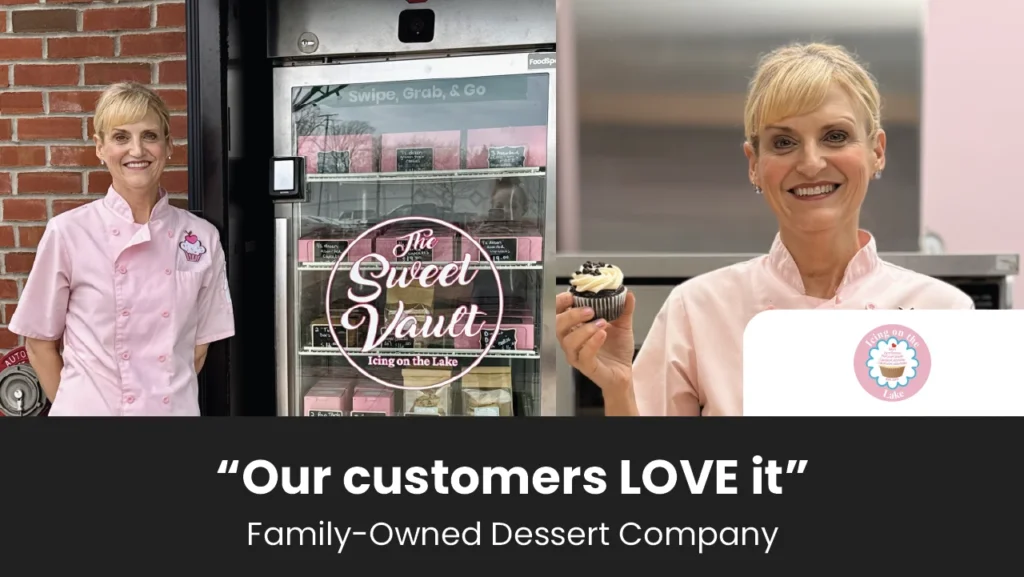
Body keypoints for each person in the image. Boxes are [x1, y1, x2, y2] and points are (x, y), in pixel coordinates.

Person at [555, 43, 974, 417]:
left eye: (835, 136)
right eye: (783, 143)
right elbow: (649, 479)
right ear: (754, 163)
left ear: (876, 151)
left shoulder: (945, 313)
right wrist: (619, 386)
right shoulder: (697, 309)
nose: (811, 163)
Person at [8, 82, 235, 416]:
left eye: (150, 136)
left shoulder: (201, 238)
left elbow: (198, 350)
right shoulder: (69, 233)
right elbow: (39, 344)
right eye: (120, 137)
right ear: (100, 148)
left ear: (168, 145)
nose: (137, 150)